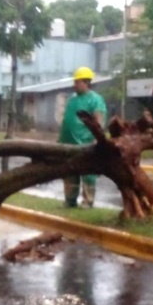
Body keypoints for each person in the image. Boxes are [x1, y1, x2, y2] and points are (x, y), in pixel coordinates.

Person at [58, 67, 108, 208]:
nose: (74, 84)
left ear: (86, 82)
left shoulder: (95, 100)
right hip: (68, 143)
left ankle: (88, 200)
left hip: (86, 143)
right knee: (69, 172)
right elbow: (67, 120)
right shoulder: (72, 99)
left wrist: (96, 139)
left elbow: (98, 120)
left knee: (88, 173)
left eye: (77, 81)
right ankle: (70, 200)